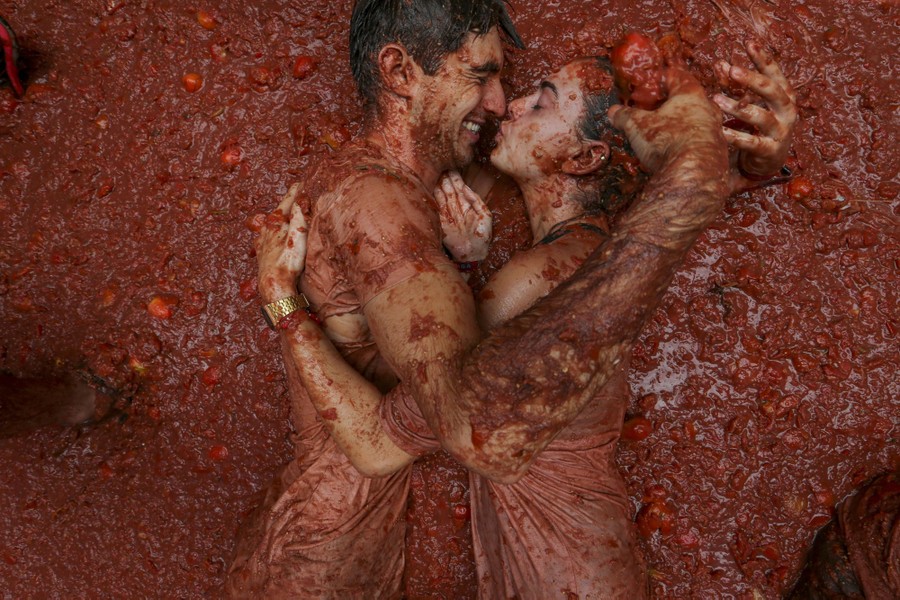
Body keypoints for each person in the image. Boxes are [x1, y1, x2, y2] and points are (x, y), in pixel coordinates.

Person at [226, 0, 795, 596]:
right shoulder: (382, 208)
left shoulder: (532, 251)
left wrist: (737, 169)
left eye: (527, 94)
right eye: (482, 76)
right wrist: (713, 176)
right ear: (397, 72)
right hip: (318, 564)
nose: (503, 103)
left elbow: (591, 279)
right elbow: (436, 418)